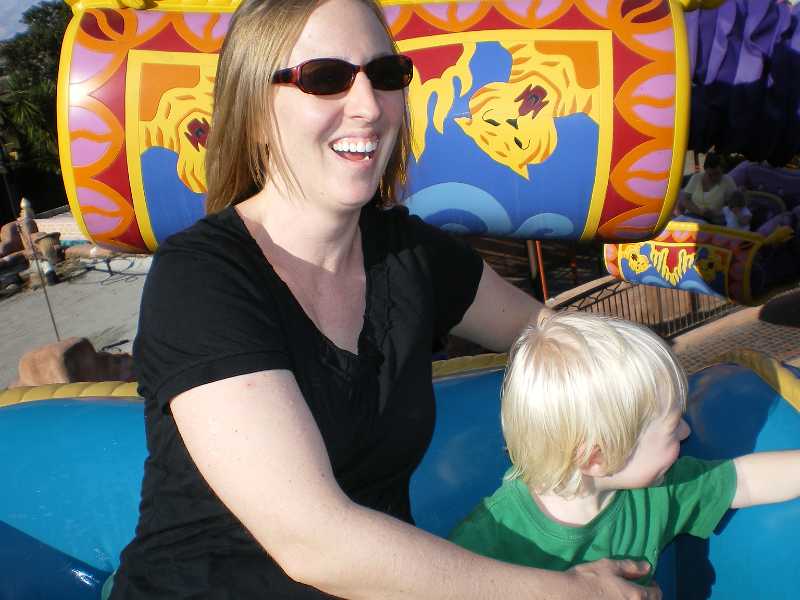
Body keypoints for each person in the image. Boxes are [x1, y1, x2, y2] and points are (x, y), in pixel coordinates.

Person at [109, 0, 661, 598]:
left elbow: (555, 337)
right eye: (326, 78)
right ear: (255, 109)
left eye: (385, 74)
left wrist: (649, 408)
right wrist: (570, 592)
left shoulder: (410, 255)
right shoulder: (202, 279)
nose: (369, 106)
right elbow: (312, 541)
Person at [450, 312, 800, 583]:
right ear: (597, 458)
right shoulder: (489, 540)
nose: (686, 431)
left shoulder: (658, 491)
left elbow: (743, 481)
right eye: (672, 427)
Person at [678, 153, 737, 225]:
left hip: (714, 221)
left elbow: (735, 205)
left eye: (717, 174)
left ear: (722, 170)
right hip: (690, 216)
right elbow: (685, 199)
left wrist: (717, 213)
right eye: (710, 175)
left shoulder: (727, 182)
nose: (714, 177)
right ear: (705, 169)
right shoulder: (696, 178)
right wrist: (699, 212)